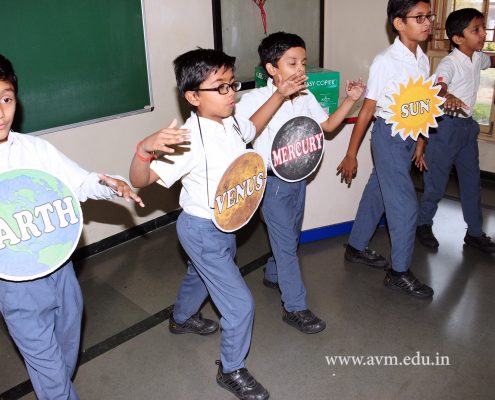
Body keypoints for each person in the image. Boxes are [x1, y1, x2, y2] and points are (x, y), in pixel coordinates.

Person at [129, 48, 305, 400]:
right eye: (220, 87)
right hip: (200, 229)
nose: (231, 94)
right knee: (240, 305)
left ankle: (181, 319)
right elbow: (140, 179)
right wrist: (144, 150)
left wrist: (280, 94)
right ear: (193, 96)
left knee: (200, 276)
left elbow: (253, 125)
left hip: (227, 224)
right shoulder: (188, 140)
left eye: (232, 84)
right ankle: (231, 370)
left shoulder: (232, 121)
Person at [0, 53, 148, 400]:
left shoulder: (35, 149)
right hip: (15, 283)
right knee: (50, 373)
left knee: (65, 353)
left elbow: (79, 182)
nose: (0, 112)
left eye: (5, 99)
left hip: (60, 267)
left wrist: (108, 184)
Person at [236, 31, 365, 333]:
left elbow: (328, 126)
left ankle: (273, 275)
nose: (300, 69)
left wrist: (351, 99)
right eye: (292, 63)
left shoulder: (305, 96)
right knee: (286, 247)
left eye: (303, 63)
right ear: (272, 68)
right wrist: (279, 96)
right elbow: (243, 133)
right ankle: (295, 307)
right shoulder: (253, 99)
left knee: (291, 235)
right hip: (271, 183)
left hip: (298, 178)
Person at [336, 0, 435, 298]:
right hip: (389, 138)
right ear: (399, 23)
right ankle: (398, 273)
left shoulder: (422, 58)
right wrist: (351, 154)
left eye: (428, 16)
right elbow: (367, 111)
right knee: (405, 205)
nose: (427, 22)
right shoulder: (385, 62)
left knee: (377, 191)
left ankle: (355, 247)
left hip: (409, 136)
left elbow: (422, 104)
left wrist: (421, 142)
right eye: (419, 17)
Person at [416, 7, 495, 253]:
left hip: (467, 129)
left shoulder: (478, 57)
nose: (483, 34)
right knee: (436, 183)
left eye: (483, 28)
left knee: (472, 183)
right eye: (476, 30)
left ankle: (474, 233)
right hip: (445, 129)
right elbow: (439, 85)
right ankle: (423, 224)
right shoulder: (449, 63)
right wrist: (446, 94)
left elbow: (491, 61)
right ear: (458, 38)